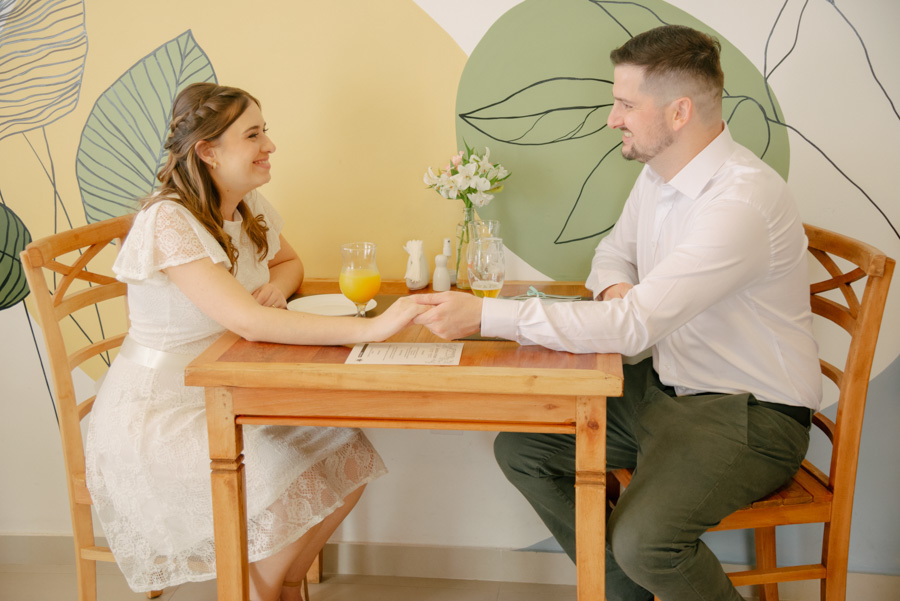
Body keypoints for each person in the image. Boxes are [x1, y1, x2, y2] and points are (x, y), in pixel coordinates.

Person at [413, 25, 821, 601]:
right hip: (667, 391)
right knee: (523, 449)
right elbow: (612, 255)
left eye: (626, 104)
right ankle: (622, 593)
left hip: (750, 416)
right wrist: (618, 294)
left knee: (645, 542)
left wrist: (486, 317)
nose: (612, 119)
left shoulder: (740, 202)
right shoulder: (660, 173)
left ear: (679, 111)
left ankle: (629, 576)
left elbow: (632, 329)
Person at [85, 82, 423, 601]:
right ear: (208, 151)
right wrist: (370, 329)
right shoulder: (169, 220)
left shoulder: (243, 202)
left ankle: (282, 589)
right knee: (285, 479)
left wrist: (276, 288)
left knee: (349, 457)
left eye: (265, 131)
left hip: (226, 390)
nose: (270, 146)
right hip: (159, 413)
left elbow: (290, 263)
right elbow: (251, 323)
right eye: (253, 135)